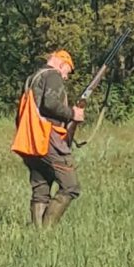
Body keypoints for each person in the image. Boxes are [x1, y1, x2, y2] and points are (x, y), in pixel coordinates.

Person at [17, 49, 84, 228]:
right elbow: (51, 104)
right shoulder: (52, 75)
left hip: (30, 141)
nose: (66, 77)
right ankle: (47, 231)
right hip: (47, 138)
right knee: (71, 187)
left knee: (41, 188)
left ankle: (38, 237)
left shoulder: (33, 78)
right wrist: (72, 113)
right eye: (67, 71)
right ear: (61, 64)